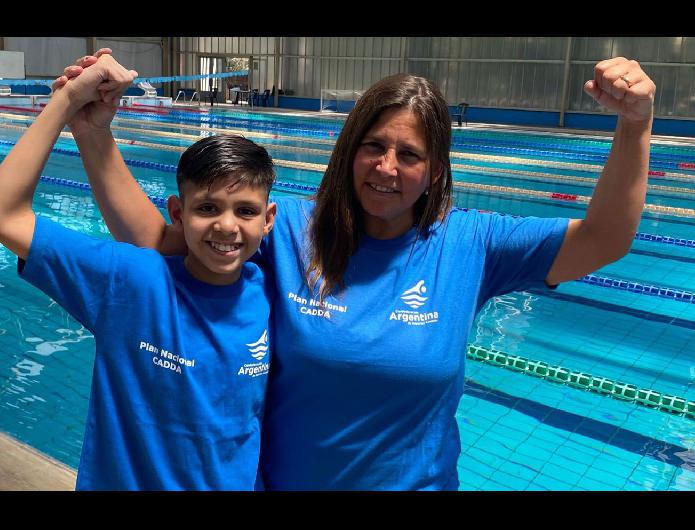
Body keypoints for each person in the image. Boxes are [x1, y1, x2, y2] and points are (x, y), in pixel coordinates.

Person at [61, 52, 656, 490]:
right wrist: (93, 136)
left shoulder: (472, 243)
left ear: (435, 168)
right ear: (349, 149)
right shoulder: (291, 229)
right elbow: (159, 241)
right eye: (374, 146)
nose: (387, 167)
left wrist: (635, 125)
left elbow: (604, 239)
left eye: (411, 155)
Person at [0, 54, 279, 490]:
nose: (226, 226)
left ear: (269, 219)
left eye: (245, 211)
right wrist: (67, 101)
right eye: (207, 208)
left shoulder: (275, 294)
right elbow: (6, 215)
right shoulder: (131, 282)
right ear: (177, 212)